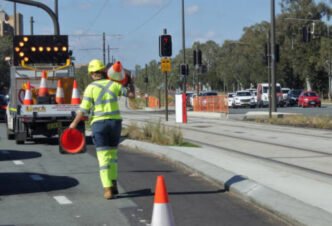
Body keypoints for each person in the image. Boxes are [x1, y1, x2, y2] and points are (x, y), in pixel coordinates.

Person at [69, 59, 128, 199]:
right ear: (103, 72)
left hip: (99, 125)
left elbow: (83, 110)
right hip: (115, 124)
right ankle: (113, 184)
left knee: (103, 157)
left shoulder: (90, 88)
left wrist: (73, 124)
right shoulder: (114, 84)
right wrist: (125, 81)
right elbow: (129, 94)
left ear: (91, 74)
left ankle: (107, 189)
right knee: (113, 156)